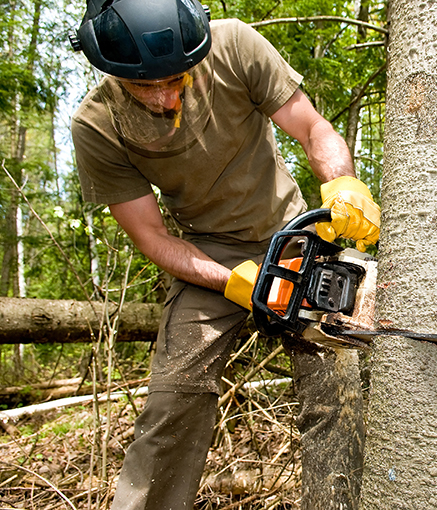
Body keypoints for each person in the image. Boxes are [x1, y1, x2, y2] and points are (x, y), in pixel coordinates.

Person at [68, 0, 380, 508]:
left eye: (175, 78)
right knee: (176, 396)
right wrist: (231, 281)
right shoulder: (97, 126)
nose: (165, 97)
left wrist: (342, 182)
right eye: (144, 86)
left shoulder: (234, 45)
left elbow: (312, 129)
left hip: (292, 233)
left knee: (335, 388)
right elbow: (152, 238)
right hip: (204, 253)